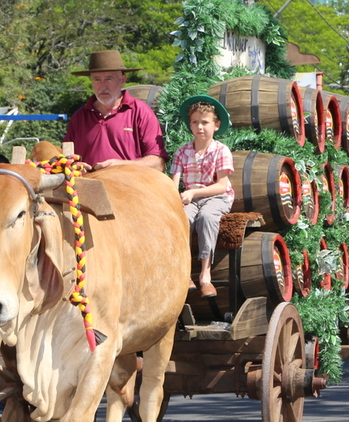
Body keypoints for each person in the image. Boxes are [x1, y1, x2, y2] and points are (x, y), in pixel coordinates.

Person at [170, 96, 234, 298]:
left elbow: (221, 186)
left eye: (205, 122)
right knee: (183, 219)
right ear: (190, 125)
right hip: (191, 198)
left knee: (207, 217)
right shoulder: (182, 152)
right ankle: (185, 272)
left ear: (216, 125)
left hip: (216, 197)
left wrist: (193, 192)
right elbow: (174, 182)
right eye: (195, 122)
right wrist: (175, 198)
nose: (200, 127)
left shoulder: (221, 150)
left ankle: (205, 275)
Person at [65, 50, 169, 171]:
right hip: (88, 187)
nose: (103, 86)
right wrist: (75, 166)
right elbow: (66, 159)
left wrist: (122, 165)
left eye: (108, 79)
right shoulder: (79, 117)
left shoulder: (141, 112)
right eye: (97, 79)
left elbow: (158, 164)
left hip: (129, 186)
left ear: (122, 80)